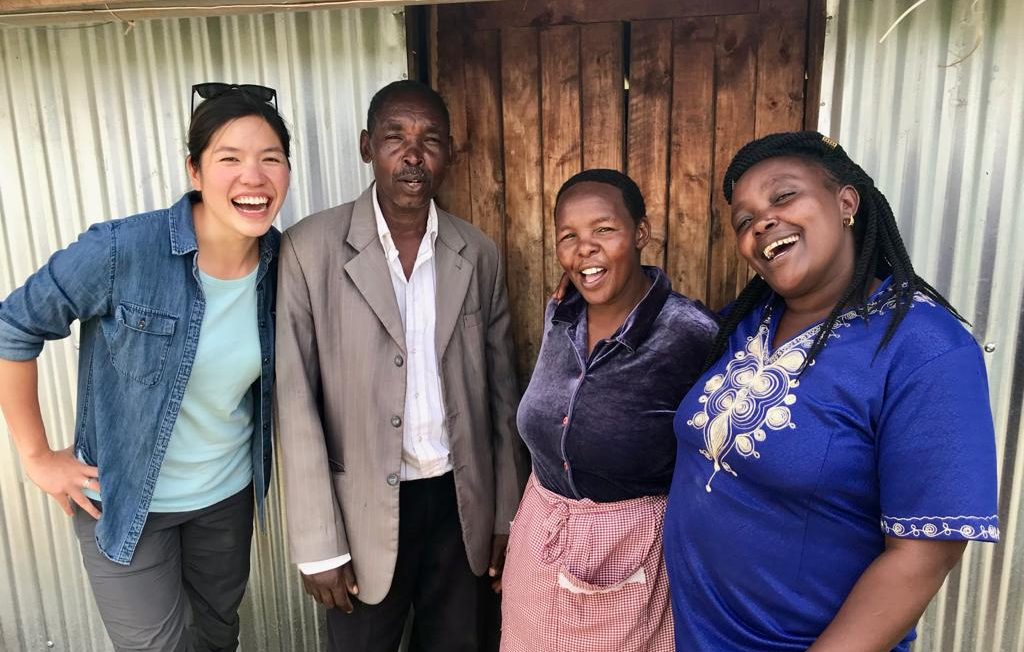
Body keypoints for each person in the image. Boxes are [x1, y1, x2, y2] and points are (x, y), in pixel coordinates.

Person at [665, 131, 1000, 651]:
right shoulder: (751, 320)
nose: (763, 222)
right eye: (744, 221)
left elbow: (925, 553)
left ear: (846, 202)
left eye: (782, 196)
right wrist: (596, 287)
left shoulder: (925, 348)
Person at [0, 83, 290, 650]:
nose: (253, 176)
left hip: (224, 501)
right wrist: (36, 458)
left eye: (270, 159)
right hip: (126, 500)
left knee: (215, 637)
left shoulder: (286, 264)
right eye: (229, 159)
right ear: (195, 171)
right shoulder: (123, 250)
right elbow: (14, 324)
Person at [275, 79, 522, 652]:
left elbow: (502, 397)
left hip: (462, 508)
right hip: (360, 516)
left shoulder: (476, 252)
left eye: (430, 140)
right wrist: (318, 543)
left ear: (451, 153)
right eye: (395, 138)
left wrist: (506, 516)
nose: (413, 155)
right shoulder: (309, 249)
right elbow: (293, 402)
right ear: (367, 147)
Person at [500, 169, 718, 652]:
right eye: (569, 236)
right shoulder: (561, 314)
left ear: (640, 233)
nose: (585, 249)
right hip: (539, 545)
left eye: (603, 230)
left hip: (629, 559)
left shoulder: (690, 333)